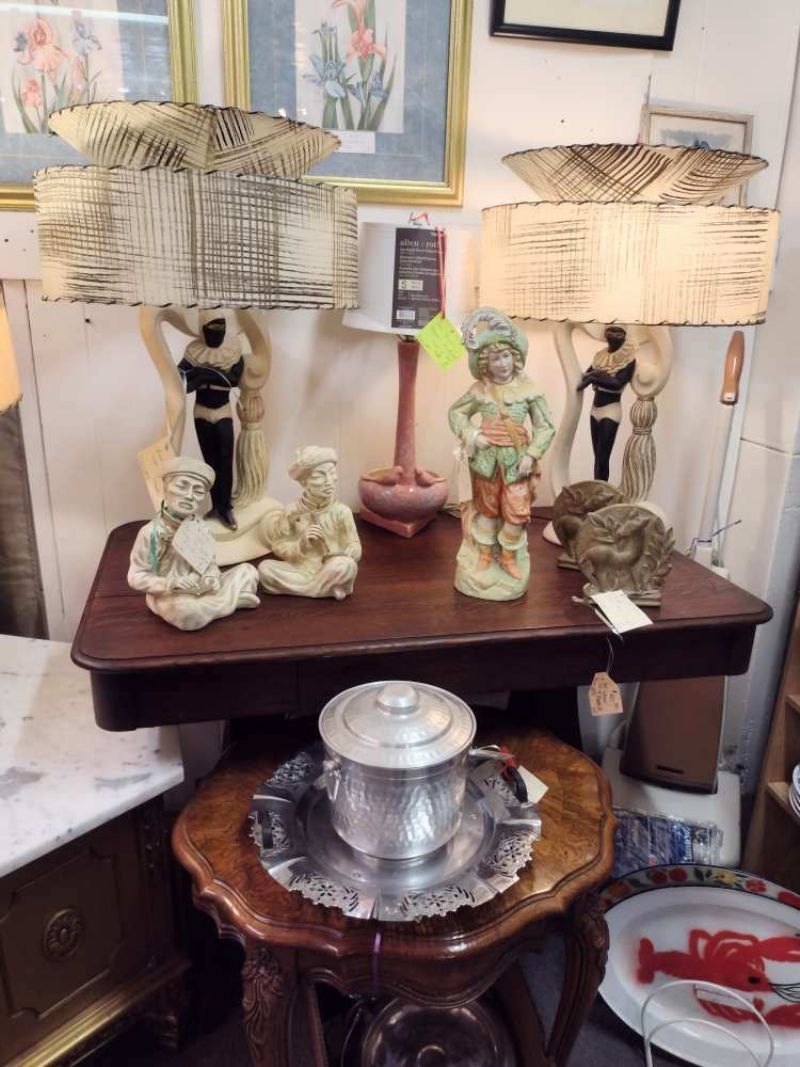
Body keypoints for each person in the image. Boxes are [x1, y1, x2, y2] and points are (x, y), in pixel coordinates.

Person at [449, 308, 555, 586]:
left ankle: (508, 556)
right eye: (496, 358)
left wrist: (532, 455)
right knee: (487, 510)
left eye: (506, 355)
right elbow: (457, 413)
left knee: (516, 511)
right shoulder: (479, 391)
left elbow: (545, 426)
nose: (503, 363)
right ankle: (485, 554)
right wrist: (473, 435)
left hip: (517, 462)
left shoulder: (529, 390)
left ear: (515, 356)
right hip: (486, 461)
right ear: (486, 362)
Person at [127, 457, 259, 630]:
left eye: (198, 491)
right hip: (170, 595)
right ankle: (234, 600)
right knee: (186, 612)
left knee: (248, 571)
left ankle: (222, 603)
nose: (189, 496)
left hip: (200, 589)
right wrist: (171, 583)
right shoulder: (151, 533)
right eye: (182, 486)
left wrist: (211, 577)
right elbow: (136, 576)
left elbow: (210, 565)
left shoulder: (201, 528)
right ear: (165, 487)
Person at [258, 446, 361, 600]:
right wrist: (301, 545)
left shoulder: (342, 511)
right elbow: (278, 545)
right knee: (264, 568)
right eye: (320, 476)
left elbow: (355, 546)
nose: (329, 481)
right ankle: (322, 588)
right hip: (300, 569)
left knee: (347, 566)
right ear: (304, 482)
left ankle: (311, 588)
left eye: (332, 473)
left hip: (330, 568)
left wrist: (349, 551)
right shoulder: (291, 511)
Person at [178, 311, 245, 530]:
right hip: (201, 412)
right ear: (202, 329)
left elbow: (233, 379)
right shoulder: (194, 351)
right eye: (212, 329)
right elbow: (182, 381)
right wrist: (211, 375)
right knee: (210, 462)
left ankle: (226, 507)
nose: (217, 333)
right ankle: (215, 506)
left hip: (223, 411)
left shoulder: (233, 348)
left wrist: (202, 373)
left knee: (226, 460)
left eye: (221, 328)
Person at [577, 325, 637, 482]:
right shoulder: (600, 357)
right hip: (595, 410)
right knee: (597, 457)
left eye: (619, 331)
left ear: (625, 335)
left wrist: (594, 377)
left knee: (603, 456)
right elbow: (586, 375)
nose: (614, 334)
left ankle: (602, 489)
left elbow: (617, 383)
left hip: (610, 410)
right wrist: (592, 376)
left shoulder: (628, 358)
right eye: (611, 330)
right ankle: (597, 487)